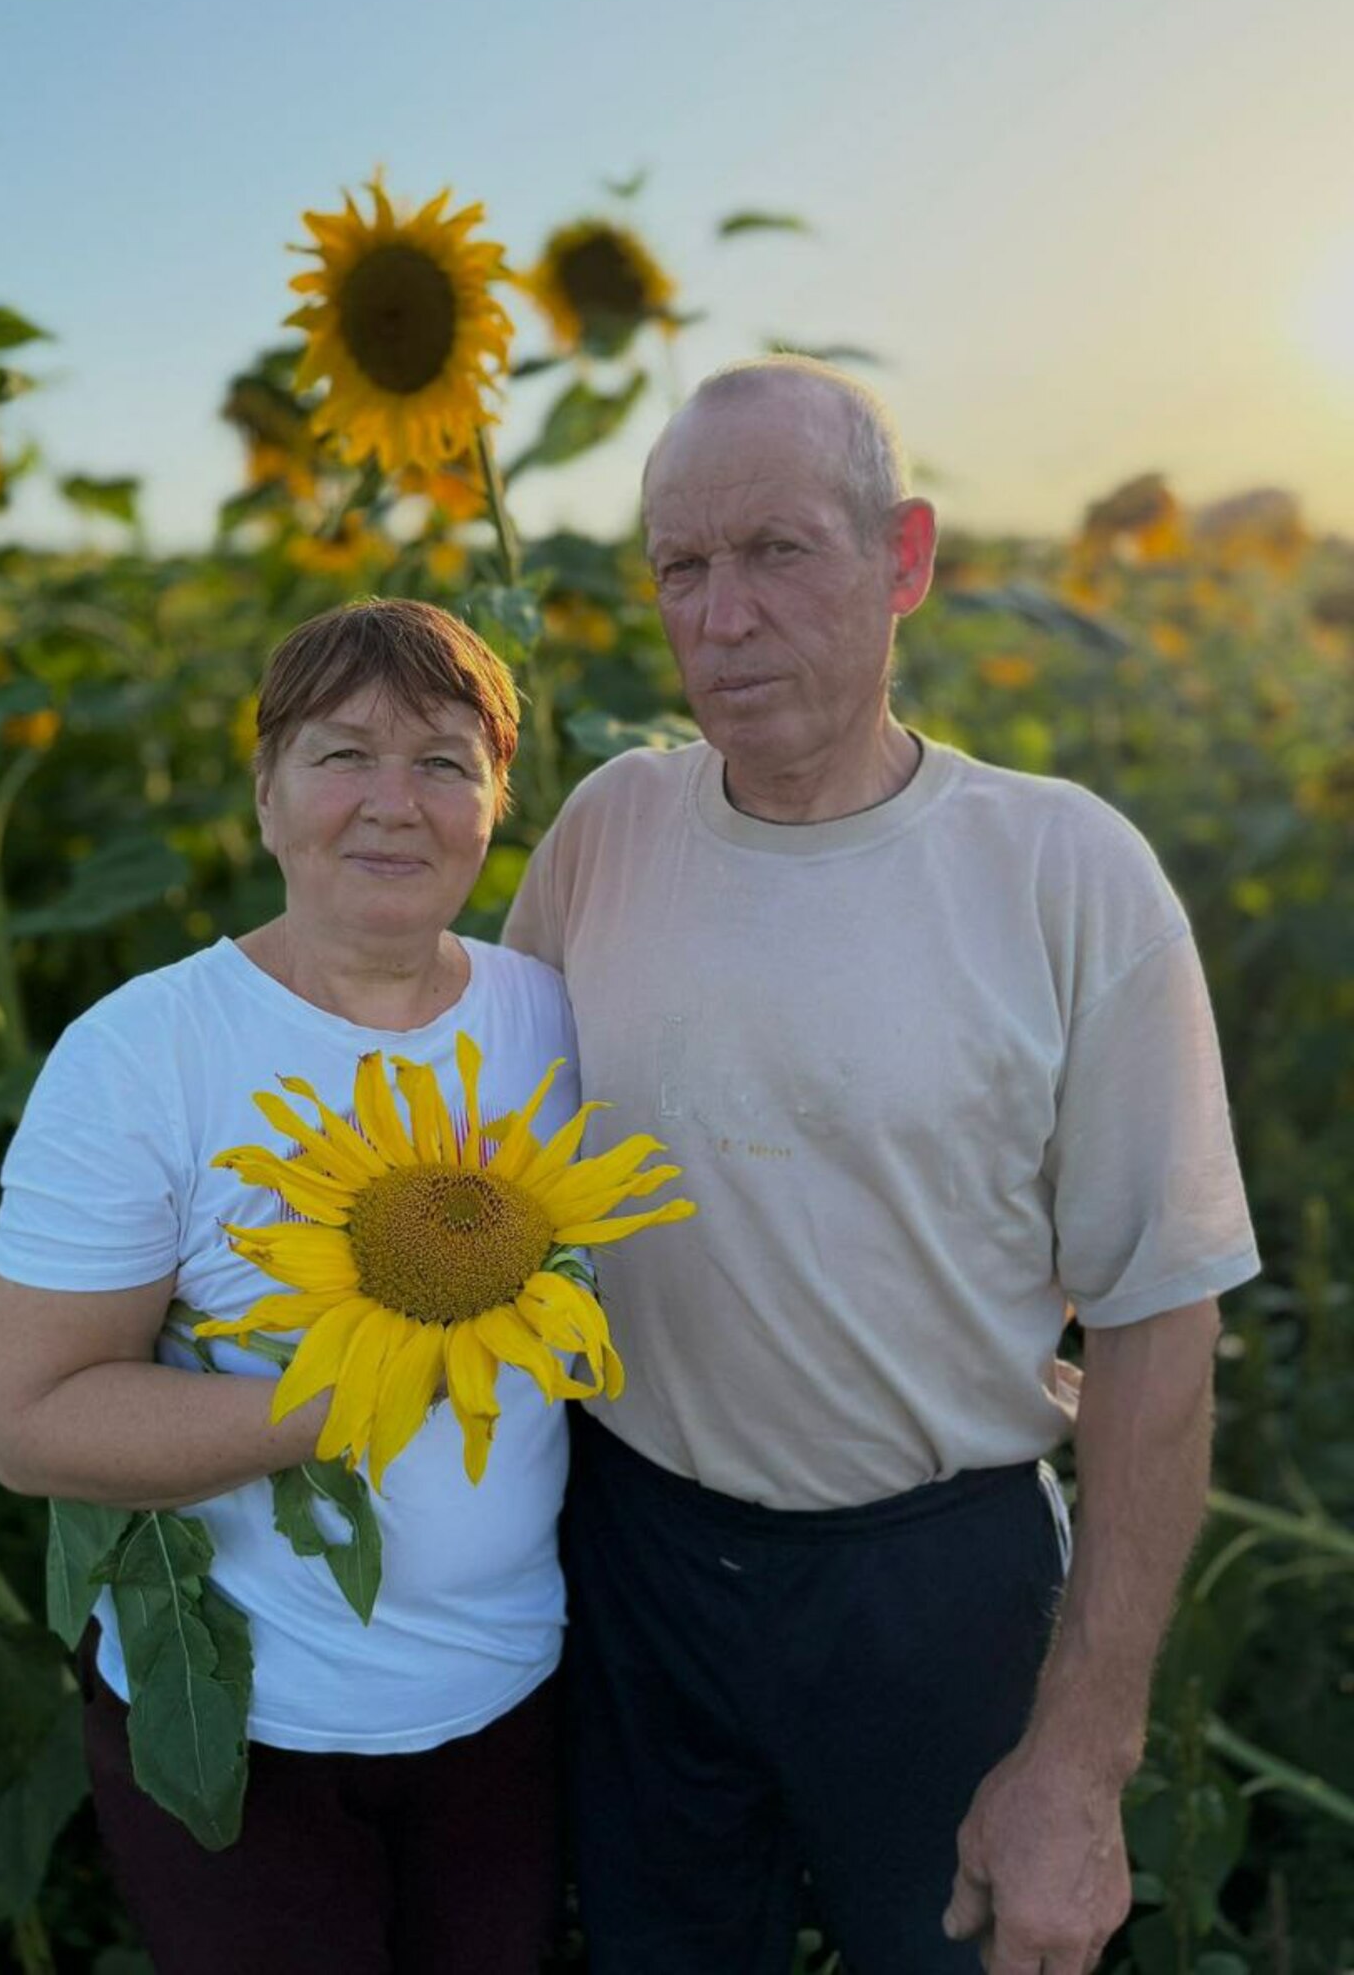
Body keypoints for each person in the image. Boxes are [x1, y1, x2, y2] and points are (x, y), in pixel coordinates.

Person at [502, 356, 1261, 1975]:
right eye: (681, 568)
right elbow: (486, 1173)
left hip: (935, 1590)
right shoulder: (607, 831)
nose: (721, 617)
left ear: (904, 557)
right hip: (637, 1562)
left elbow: (1160, 1323)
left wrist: (1082, 1758)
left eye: (777, 551)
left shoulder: (1065, 872)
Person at [0, 599, 580, 1975]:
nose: (392, 802)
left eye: (443, 761)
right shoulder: (145, 1053)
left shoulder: (549, 1018)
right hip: (246, 1727)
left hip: (511, 1701)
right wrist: (358, 1391)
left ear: (496, 803)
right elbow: (29, 1420)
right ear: (264, 795)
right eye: (341, 754)